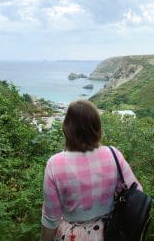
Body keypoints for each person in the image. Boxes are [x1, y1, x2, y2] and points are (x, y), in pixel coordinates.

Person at [41, 100, 142, 241]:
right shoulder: (113, 154)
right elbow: (137, 193)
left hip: (71, 235)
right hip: (109, 232)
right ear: (97, 127)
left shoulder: (55, 163)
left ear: (67, 128)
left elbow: (51, 217)